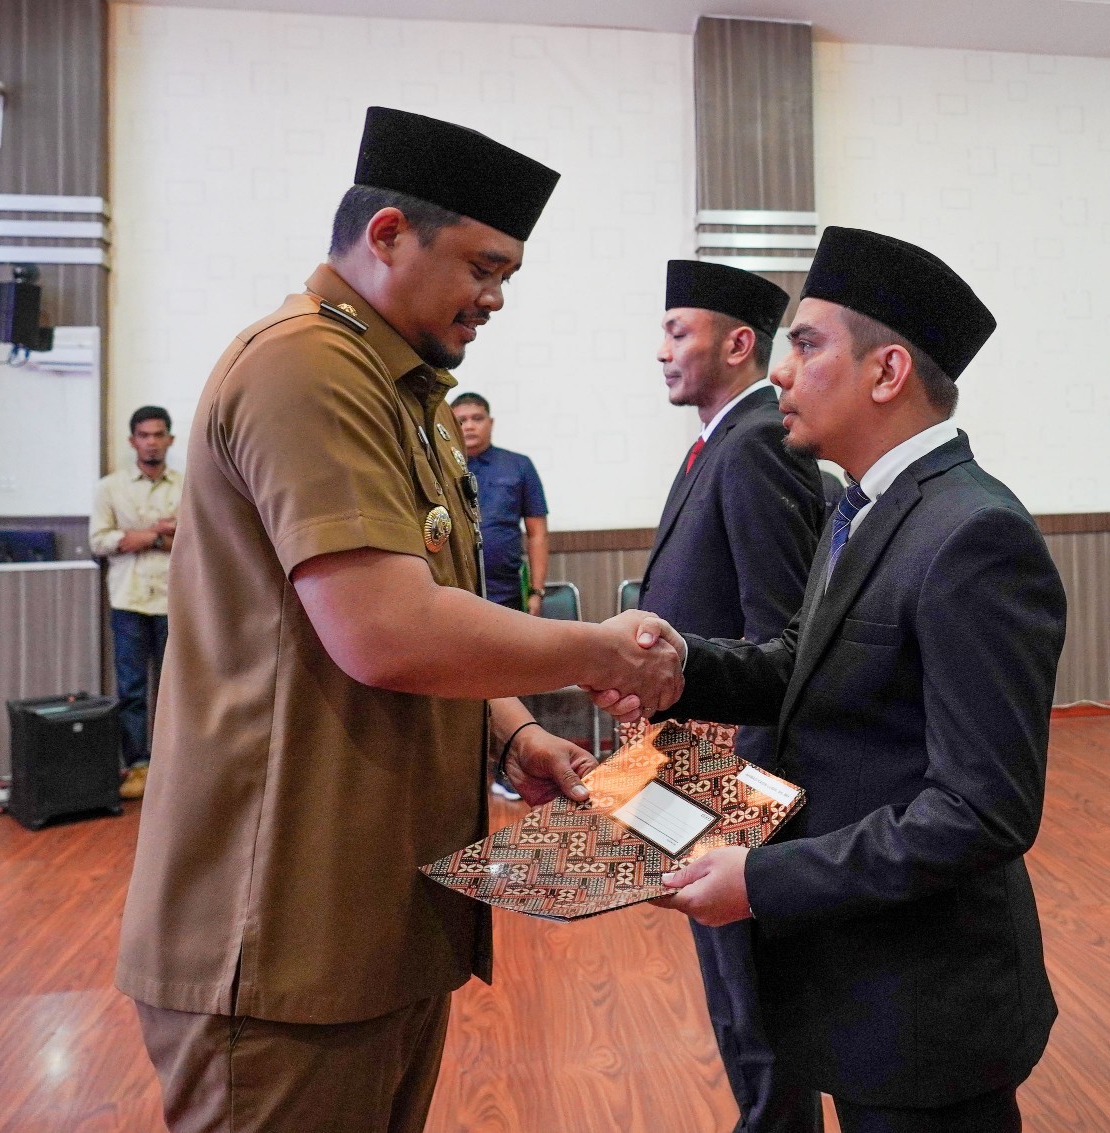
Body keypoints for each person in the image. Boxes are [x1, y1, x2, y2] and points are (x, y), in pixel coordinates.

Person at [115, 107, 685, 1133]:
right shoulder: (307, 366)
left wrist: (511, 729)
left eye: (506, 274)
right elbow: (386, 629)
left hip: (371, 915)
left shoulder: (405, 388)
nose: (494, 298)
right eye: (480, 266)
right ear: (385, 235)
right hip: (285, 925)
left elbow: (433, 610)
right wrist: (601, 647)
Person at [596, 226, 1067, 1132]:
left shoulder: (972, 535)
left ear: (886, 372)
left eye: (805, 345)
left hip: (924, 998)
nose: (778, 372)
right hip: (858, 966)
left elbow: (981, 812)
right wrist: (676, 667)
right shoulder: (863, 503)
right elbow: (797, 666)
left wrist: (763, 880)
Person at [640, 260, 824, 1133]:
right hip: (683, 748)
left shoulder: (754, 442)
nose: (662, 351)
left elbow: (778, 634)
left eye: (679, 330)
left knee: (749, 996)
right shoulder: (719, 436)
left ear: (738, 342)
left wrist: (728, 798)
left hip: (721, 765)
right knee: (728, 993)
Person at [90, 405, 183, 801]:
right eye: (144, 435)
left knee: (175, 689)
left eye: (158, 434)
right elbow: (100, 542)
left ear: (170, 440)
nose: (151, 442)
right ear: (132, 441)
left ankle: (174, 768)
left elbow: (198, 541)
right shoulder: (109, 488)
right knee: (131, 689)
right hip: (128, 600)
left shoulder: (188, 485)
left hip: (173, 602)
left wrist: (140, 538)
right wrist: (158, 534)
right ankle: (139, 766)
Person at [450, 392, 549, 615]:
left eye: (477, 418)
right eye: (461, 421)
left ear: (490, 422)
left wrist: (536, 591)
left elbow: (538, 534)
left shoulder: (518, 465)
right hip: (455, 591)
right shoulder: (440, 467)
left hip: (508, 590)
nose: (469, 426)